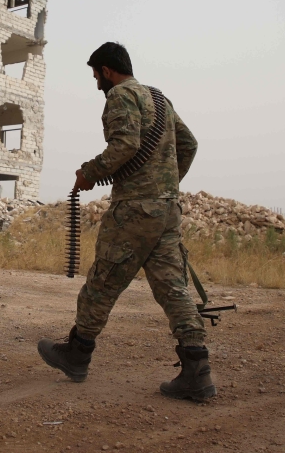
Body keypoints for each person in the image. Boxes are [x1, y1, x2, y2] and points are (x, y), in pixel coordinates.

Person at [37, 42, 215, 401]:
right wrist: (166, 185)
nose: (97, 84)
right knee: (173, 288)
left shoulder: (120, 95)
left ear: (106, 70)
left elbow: (126, 145)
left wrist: (90, 173)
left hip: (134, 210)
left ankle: (77, 353)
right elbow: (189, 144)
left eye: (96, 76)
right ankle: (197, 370)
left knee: (103, 281)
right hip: (166, 211)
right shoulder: (160, 98)